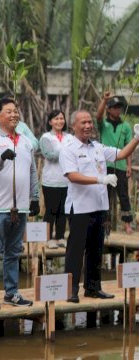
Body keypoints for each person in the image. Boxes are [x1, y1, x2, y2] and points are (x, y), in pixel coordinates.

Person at [60, 110, 139, 303]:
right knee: (76, 250)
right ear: (73, 126)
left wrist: (137, 138)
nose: (88, 126)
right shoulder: (68, 147)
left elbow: (120, 154)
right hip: (79, 208)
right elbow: (72, 175)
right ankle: (70, 290)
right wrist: (100, 179)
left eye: (89, 122)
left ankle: (93, 288)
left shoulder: (97, 147)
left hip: (99, 206)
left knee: (96, 249)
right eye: (83, 123)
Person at [0, 98, 39, 309]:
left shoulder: (25, 141)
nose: (14, 115)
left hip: (21, 206)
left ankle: (12, 292)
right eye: (9, 111)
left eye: (16, 111)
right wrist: (2, 158)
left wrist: (35, 197)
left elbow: (32, 171)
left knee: (14, 251)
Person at [96, 92, 133, 234]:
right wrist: (104, 100)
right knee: (105, 195)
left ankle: (127, 223)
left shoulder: (126, 127)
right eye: (115, 107)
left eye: (119, 107)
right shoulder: (103, 125)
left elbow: (128, 147)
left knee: (123, 195)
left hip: (121, 165)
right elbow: (98, 116)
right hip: (105, 165)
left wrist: (129, 165)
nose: (118, 110)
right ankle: (105, 224)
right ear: (109, 109)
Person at [40, 110, 73, 249]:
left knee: (63, 211)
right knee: (51, 210)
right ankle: (48, 238)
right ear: (50, 122)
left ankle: (60, 236)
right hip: (51, 181)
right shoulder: (46, 138)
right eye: (56, 119)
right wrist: (67, 151)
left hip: (66, 181)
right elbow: (50, 156)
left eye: (61, 118)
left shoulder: (69, 137)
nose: (60, 121)